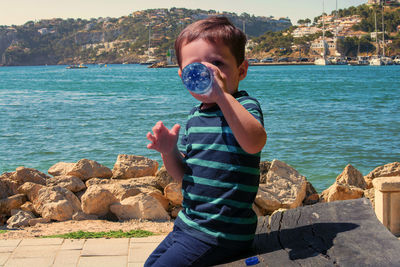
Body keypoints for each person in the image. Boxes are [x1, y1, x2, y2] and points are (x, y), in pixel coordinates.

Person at [145, 16, 267, 267]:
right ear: (183, 75)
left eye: (217, 63)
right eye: (196, 67)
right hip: (188, 225)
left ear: (241, 70)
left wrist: (222, 95)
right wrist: (169, 152)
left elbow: (255, 142)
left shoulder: (244, 106)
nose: (207, 72)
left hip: (221, 234)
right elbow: (184, 176)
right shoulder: (195, 116)